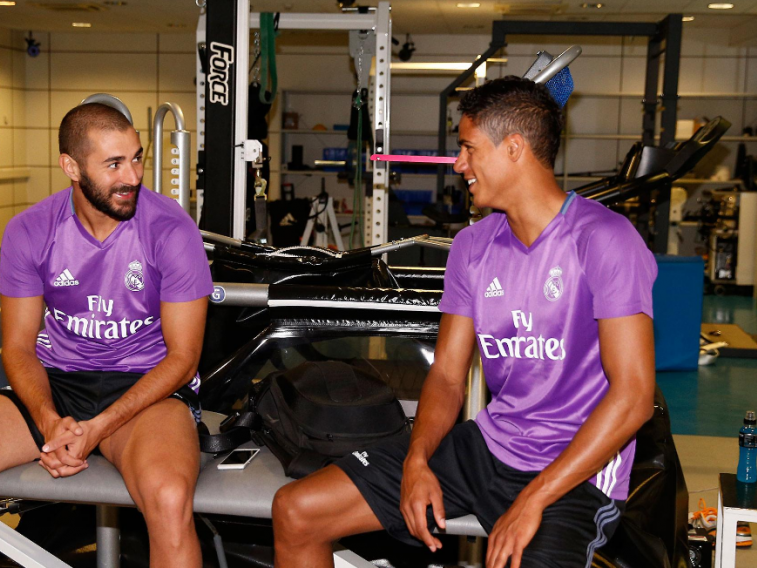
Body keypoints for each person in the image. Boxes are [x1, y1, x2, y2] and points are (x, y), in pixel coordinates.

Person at [271, 76, 658, 568]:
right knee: (297, 511)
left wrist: (534, 498)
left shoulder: (604, 240)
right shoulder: (472, 248)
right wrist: (416, 460)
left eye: (469, 148)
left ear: (514, 148)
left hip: (574, 472)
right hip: (489, 447)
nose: (459, 164)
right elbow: (449, 375)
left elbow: (633, 398)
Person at [0, 101, 213, 568]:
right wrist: (48, 421)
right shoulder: (30, 230)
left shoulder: (171, 229)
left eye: (137, 158)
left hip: (146, 387)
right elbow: (19, 347)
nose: (133, 176)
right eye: (113, 164)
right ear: (70, 166)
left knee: (167, 497)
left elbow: (184, 358)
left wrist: (98, 427)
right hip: (58, 383)